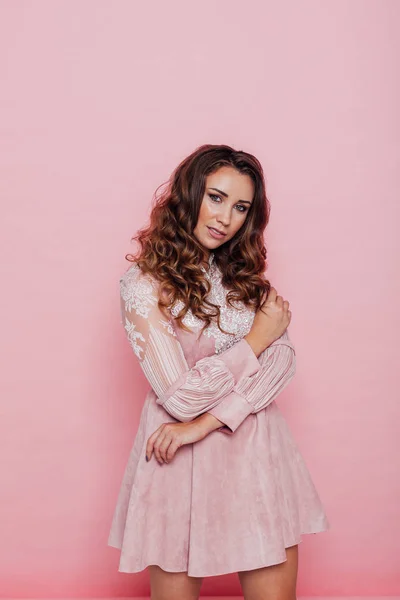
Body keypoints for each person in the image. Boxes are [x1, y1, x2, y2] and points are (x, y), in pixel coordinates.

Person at [108, 144, 329, 600]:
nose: (226, 217)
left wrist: (205, 424)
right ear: (189, 195)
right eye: (216, 197)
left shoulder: (245, 277)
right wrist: (255, 340)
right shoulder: (143, 285)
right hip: (177, 466)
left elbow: (283, 363)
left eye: (241, 207)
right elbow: (181, 398)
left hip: (254, 456)